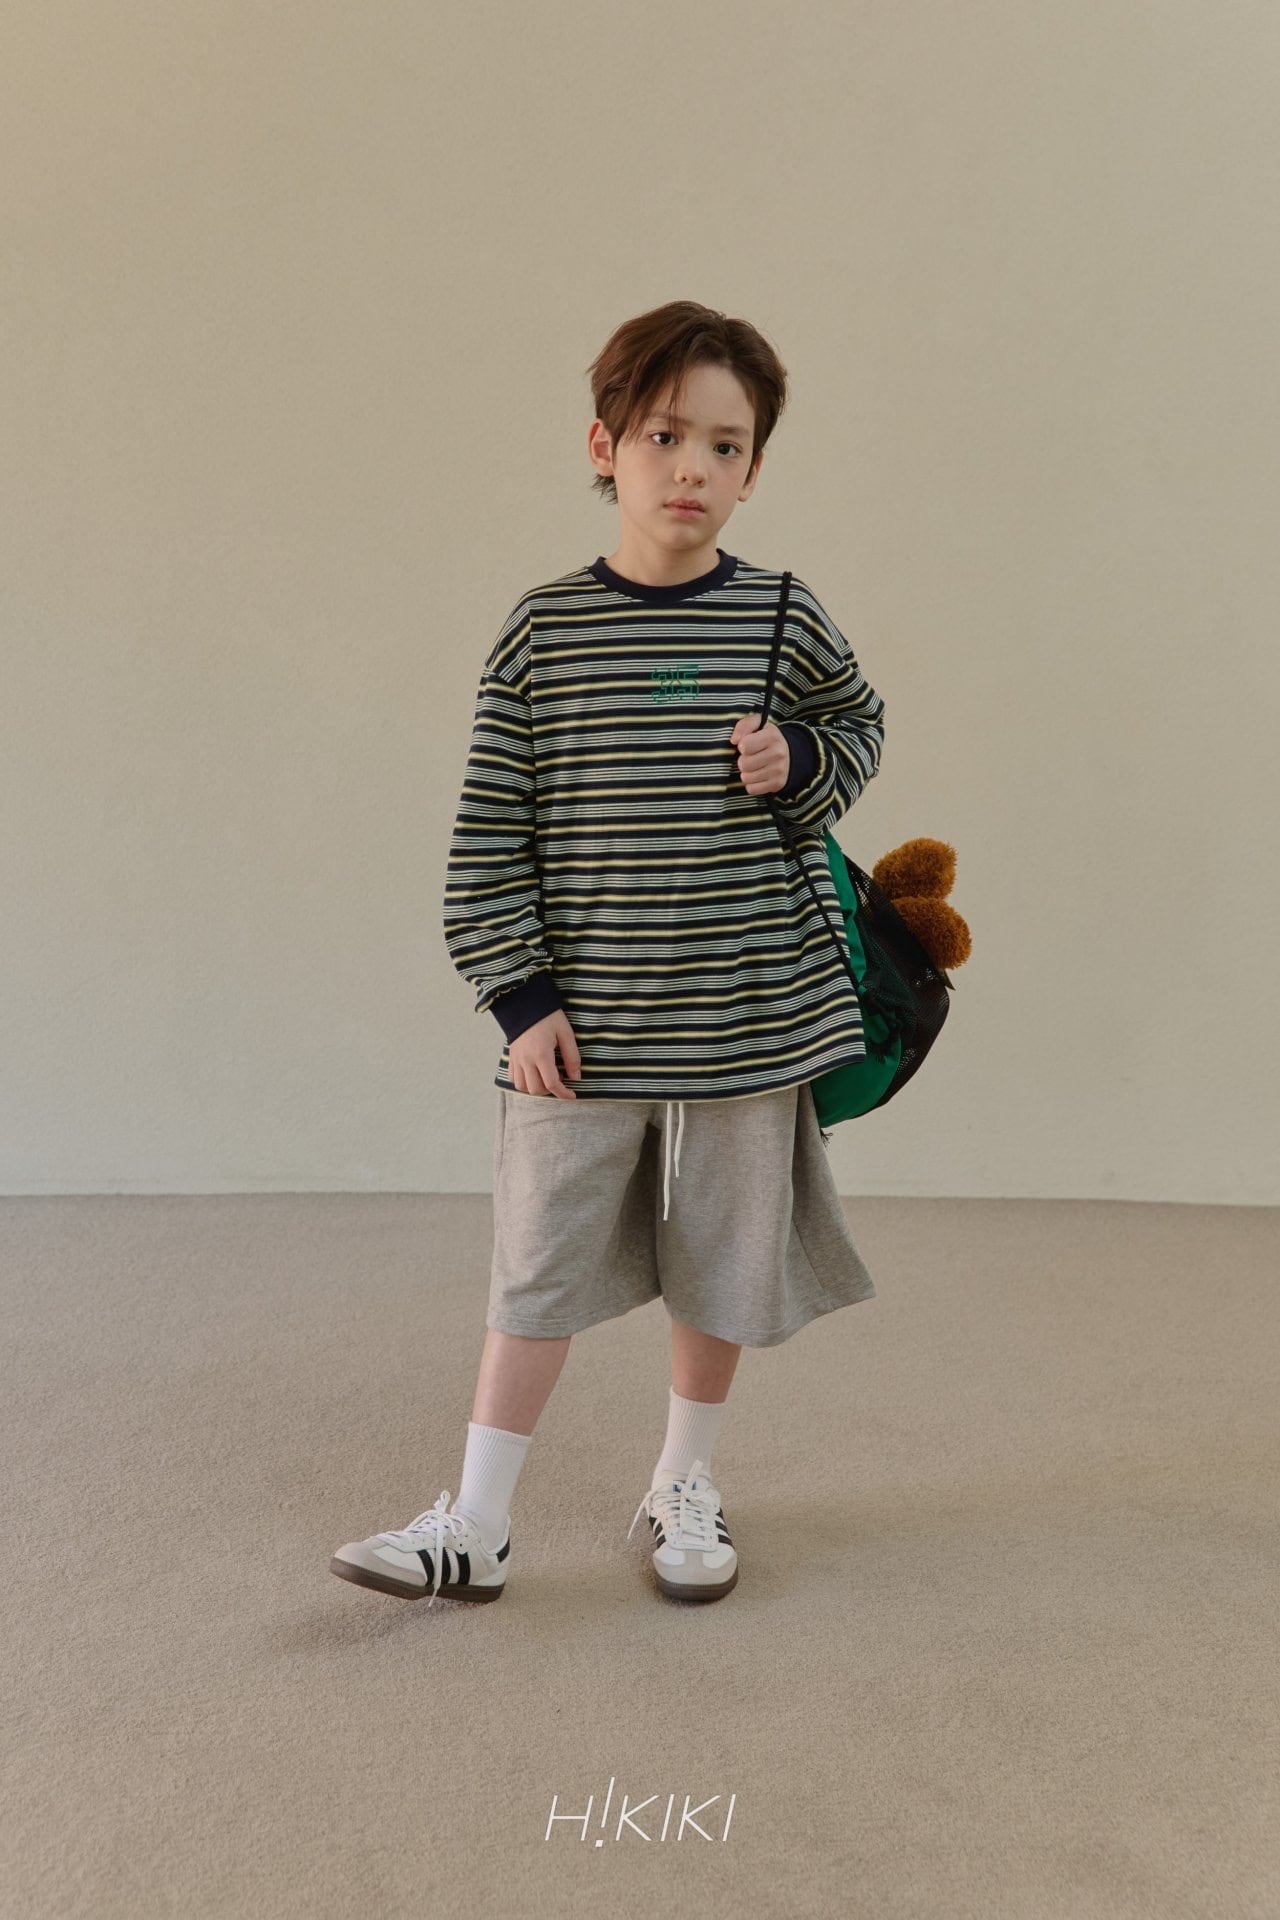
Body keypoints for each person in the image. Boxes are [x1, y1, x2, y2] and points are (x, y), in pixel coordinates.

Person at [330, 299, 886, 1609]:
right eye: (664, 436)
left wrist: (801, 758)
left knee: (724, 1256)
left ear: (754, 470)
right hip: (584, 1022)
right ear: (606, 446)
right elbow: (489, 836)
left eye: (725, 446)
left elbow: (859, 727)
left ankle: (683, 1481)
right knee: (538, 1261)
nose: (692, 467)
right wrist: (519, 998)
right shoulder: (543, 632)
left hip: (749, 1009)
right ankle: (478, 1518)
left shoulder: (783, 616)